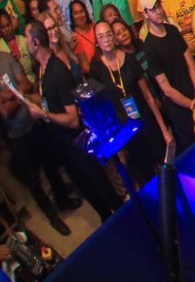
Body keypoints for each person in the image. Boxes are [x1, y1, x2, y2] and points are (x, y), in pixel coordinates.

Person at [17, 20, 121, 222]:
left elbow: (73, 119)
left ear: (36, 43)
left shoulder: (57, 71)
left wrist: (44, 115)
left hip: (78, 148)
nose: (26, 44)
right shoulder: (43, 70)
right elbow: (49, 102)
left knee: (101, 190)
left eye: (28, 39)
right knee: (93, 197)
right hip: (66, 149)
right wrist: (26, 98)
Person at [0, 42, 77, 235]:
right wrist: (19, 94)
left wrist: (7, 95)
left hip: (34, 122)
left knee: (50, 164)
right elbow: (4, 111)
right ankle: (52, 216)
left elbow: (26, 83)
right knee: (33, 180)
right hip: (16, 135)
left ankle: (62, 199)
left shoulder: (6, 58)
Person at [87, 19, 170, 187]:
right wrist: (117, 148)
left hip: (146, 123)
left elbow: (147, 95)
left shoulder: (131, 60)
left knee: (165, 171)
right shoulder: (96, 68)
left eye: (109, 35)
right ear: (97, 42)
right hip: (125, 132)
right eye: (101, 37)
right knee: (145, 179)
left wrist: (164, 131)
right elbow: (102, 109)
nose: (106, 39)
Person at [138, 0, 195, 152]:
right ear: (145, 14)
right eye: (153, 9)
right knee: (193, 150)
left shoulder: (173, 31)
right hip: (179, 108)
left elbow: (190, 64)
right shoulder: (149, 47)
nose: (159, 11)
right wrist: (191, 104)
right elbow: (166, 88)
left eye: (159, 6)